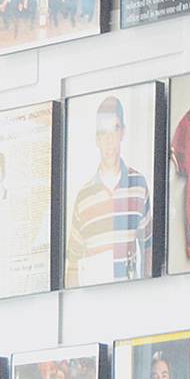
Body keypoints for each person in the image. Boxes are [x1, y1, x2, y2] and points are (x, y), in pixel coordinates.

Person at [64, 94, 154, 286]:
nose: (109, 140)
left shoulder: (138, 185)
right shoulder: (84, 197)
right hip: (93, 305)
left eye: (114, 129)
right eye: (103, 132)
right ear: (96, 138)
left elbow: (149, 248)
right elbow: (72, 264)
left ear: (123, 132)